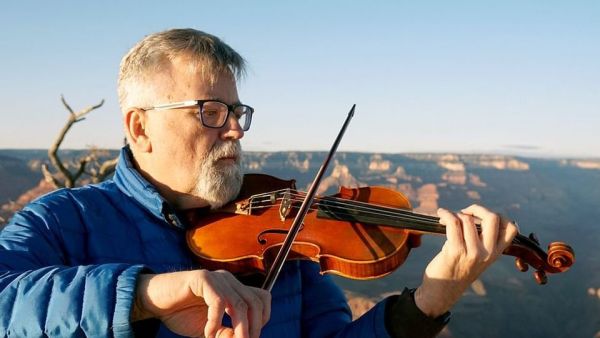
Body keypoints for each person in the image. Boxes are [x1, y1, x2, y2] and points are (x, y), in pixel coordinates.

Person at [0, 28, 518, 338]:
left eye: (237, 111)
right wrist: (148, 293)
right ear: (140, 126)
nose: (234, 128)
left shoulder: (277, 242)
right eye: (210, 111)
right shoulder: (63, 221)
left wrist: (430, 299)